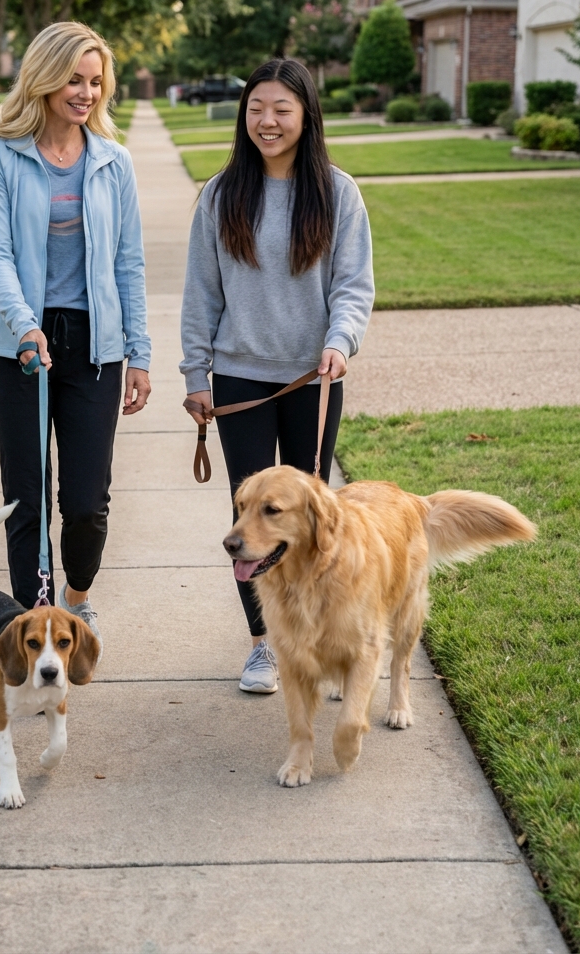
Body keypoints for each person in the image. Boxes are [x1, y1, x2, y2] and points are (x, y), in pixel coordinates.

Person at [180, 57, 374, 693]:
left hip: (313, 379)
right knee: (253, 522)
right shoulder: (221, 194)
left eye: (281, 110)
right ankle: (266, 644)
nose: (267, 121)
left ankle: (327, 636)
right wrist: (196, 373)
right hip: (239, 379)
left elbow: (352, 285)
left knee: (316, 515)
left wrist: (341, 343)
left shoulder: (337, 192)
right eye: (256, 108)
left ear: (305, 116)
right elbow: (200, 294)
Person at [0, 21, 151, 653]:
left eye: (96, 81)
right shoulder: (0, 156)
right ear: (44, 79)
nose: (86, 92)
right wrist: (24, 325)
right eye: (74, 79)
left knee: (84, 502)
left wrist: (140, 355)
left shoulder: (113, 162)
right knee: (26, 497)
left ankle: (75, 599)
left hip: (94, 347)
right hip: (17, 345)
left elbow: (129, 263)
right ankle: (32, 628)